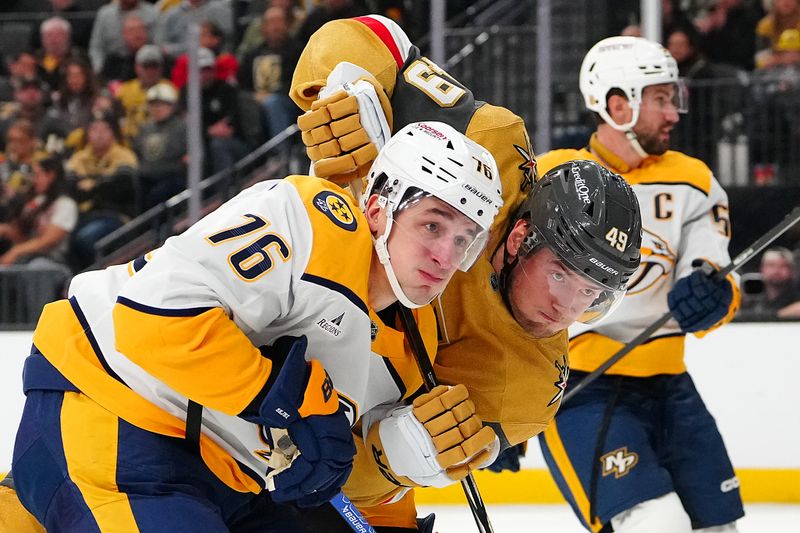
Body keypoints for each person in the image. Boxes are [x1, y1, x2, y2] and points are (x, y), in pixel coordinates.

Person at [11, 121, 504, 531]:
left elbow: (349, 485)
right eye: (432, 225)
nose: (445, 256)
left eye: (464, 240)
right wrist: (293, 398)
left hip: (221, 477)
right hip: (115, 412)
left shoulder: (415, 340)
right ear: (378, 209)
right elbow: (153, 320)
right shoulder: (317, 222)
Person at [287, 14, 643, 531]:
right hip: (290, 297)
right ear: (520, 237)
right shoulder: (488, 147)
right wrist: (346, 91)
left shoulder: (529, 383)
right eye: (562, 276)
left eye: (593, 294)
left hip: (336, 407)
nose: (568, 311)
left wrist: (397, 458)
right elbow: (376, 34)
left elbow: (356, 476)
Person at [528, 36, 743, 533]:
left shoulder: (694, 180)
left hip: (671, 386)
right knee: (654, 523)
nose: (674, 114)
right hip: (582, 387)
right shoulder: (554, 176)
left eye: (674, 99)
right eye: (662, 100)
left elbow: (713, 271)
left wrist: (710, 297)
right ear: (618, 104)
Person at [739, 246, 800, 319]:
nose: (776, 270)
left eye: (783, 266)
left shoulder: (796, 295)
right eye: (771, 265)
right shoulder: (749, 295)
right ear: (762, 268)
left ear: (791, 270)